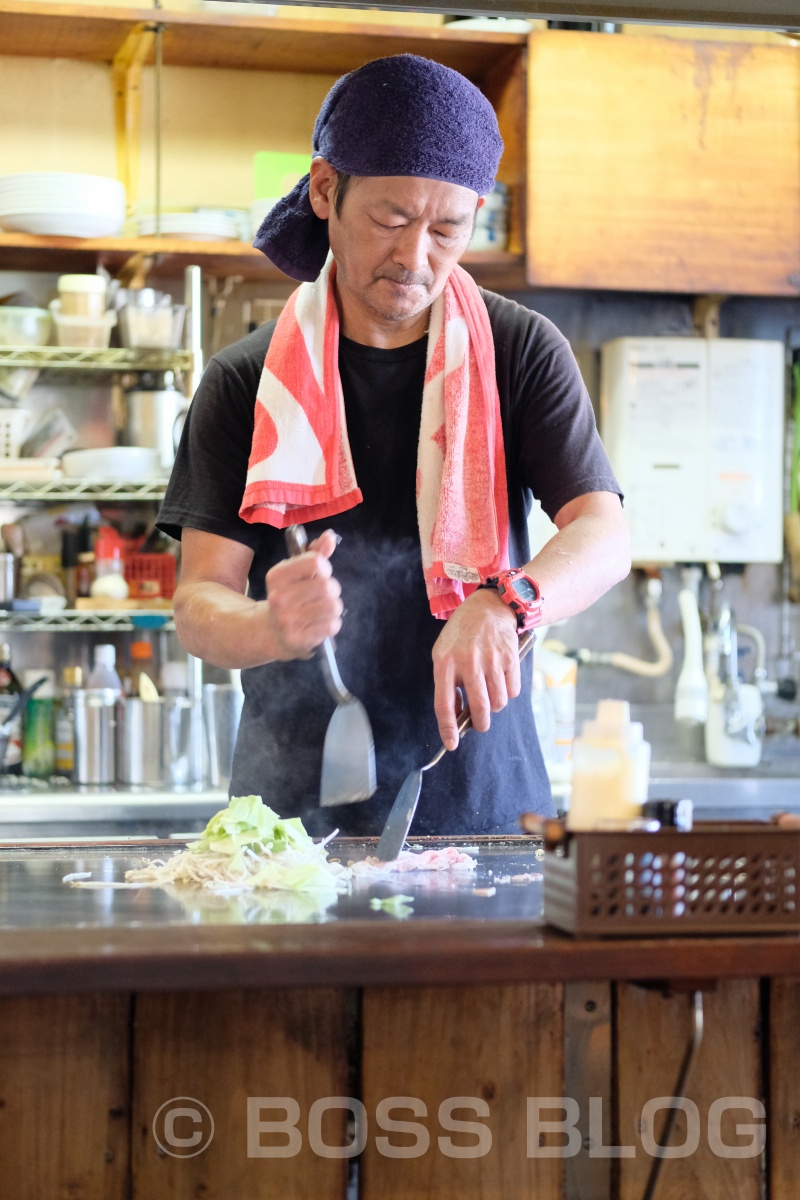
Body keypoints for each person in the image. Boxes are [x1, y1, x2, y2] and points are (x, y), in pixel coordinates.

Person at [157, 54, 630, 838]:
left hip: (483, 803)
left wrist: (508, 600)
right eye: (390, 219)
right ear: (323, 190)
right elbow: (199, 602)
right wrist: (269, 628)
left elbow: (603, 533)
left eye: (448, 228)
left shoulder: (519, 351)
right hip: (289, 822)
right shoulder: (246, 380)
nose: (416, 257)